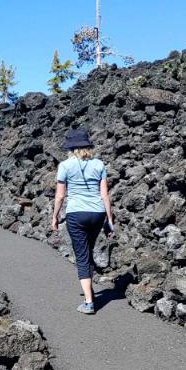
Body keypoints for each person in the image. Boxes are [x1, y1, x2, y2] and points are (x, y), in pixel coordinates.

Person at [51, 129, 115, 315]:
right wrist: (109, 220)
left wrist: (55, 216)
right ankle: (90, 291)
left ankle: (88, 302)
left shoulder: (65, 165)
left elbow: (60, 195)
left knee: (82, 255)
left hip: (76, 214)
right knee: (89, 251)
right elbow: (104, 194)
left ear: (71, 148)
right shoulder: (99, 164)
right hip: (97, 213)